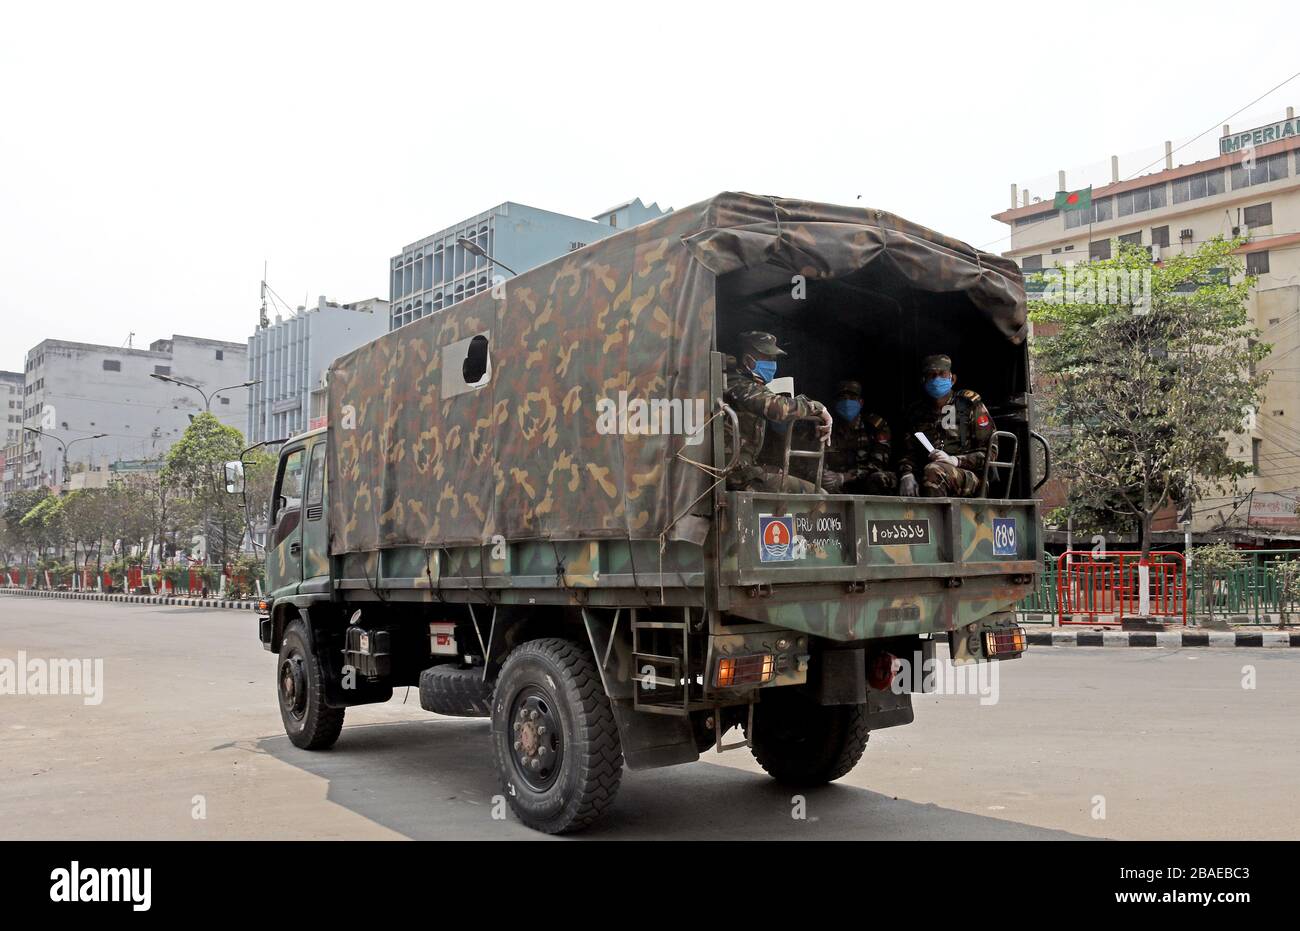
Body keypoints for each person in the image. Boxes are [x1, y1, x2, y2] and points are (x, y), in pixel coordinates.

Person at [723, 331, 832, 492]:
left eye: (774, 359)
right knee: (818, 494)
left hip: (744, 471)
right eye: (767, 358)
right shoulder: (735, 382)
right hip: (733, 476)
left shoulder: (751, 385)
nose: (772, 363)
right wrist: (816, 407)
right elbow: (779, 408)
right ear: (747, 360)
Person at [897, 354, 996, 498]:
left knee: (933, 471)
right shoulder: (917, 412)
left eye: (942, 374)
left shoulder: (968, 405)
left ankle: (933, 520)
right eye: (932, 375)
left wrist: (955, 460)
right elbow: (907, 452)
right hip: (925, 472)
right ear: (923, 380)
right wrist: (906, 474)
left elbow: (990, 452)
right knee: (881, 479)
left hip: (968, 476)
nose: (937, 379)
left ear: (952, 379)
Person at [821, 380, 896, 494]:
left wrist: (845, 477)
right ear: (836, 403)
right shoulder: (828, 427)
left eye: (852, 398)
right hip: (835, 485)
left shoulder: (875, 426)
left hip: (865, 481)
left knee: (880, 477)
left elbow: (877, 465)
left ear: (860, 402)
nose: (847, 402)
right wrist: (825, 475)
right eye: (842, 398)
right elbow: (813, 461)